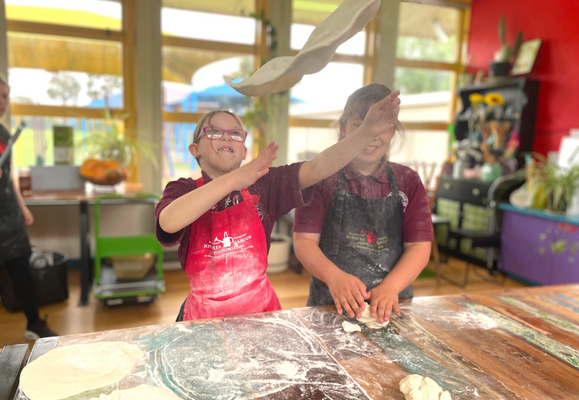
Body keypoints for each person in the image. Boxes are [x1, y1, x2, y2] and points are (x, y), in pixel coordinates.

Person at [156, 91, 400, 322]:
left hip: (260, 313)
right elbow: (168, 222)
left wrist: (365, 132)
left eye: (235, 133)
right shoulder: (183, 190)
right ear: (194, 150)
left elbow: (317, 168)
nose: (226, 137)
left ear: (244, 152)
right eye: (214, 132)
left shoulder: (265, 185)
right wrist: (233, 180)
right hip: (204, 318)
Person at [293, 83, 433, 323]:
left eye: (383, 127)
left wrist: (391, 287)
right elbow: (304, 242)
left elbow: (419, 247)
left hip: (390, 306)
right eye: (361, 126)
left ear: (393, 131)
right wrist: (334, 277)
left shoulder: (408, 181)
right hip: (330, 304)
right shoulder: (321, 179)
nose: (372, 135)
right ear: (343, 130)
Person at [0, 73, 57, 350]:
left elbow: (7, 176)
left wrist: (22, 207)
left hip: (8, 216)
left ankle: (34, 323)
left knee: (23, 274)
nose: (2, 102)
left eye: (5, 96)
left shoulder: (1, 131)